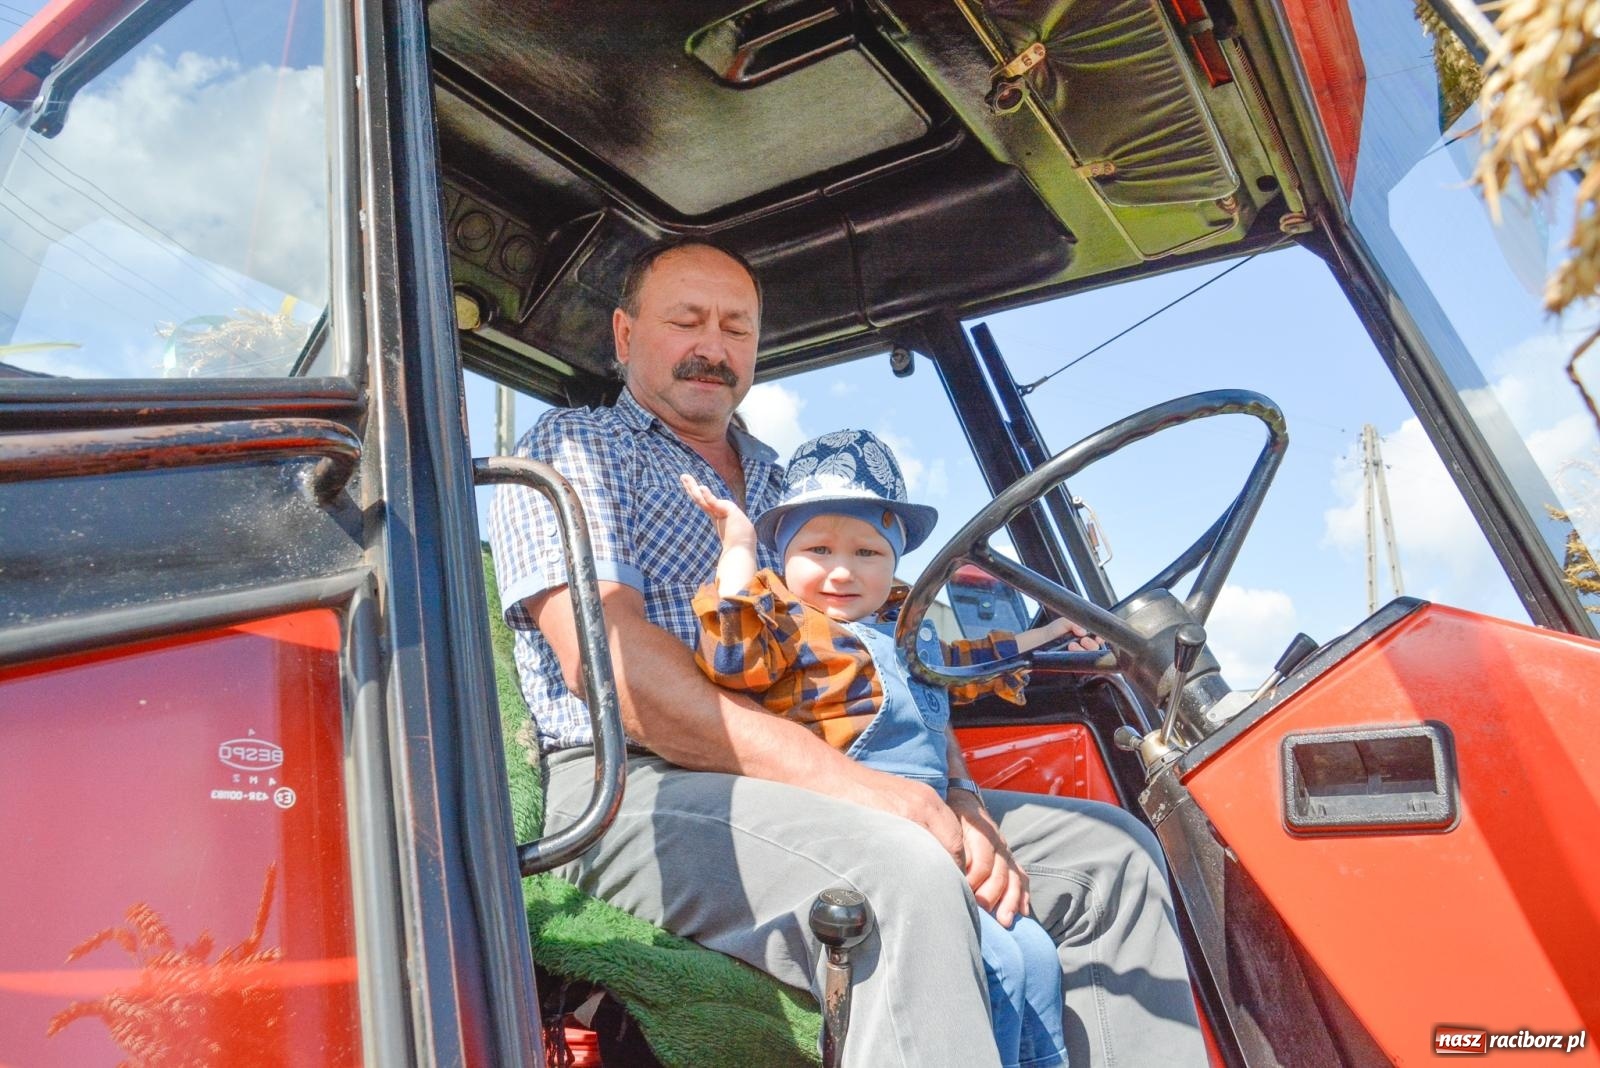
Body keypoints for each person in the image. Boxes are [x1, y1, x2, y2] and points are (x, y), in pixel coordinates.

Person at [488, 237, 1207, 1067]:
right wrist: (873, 795)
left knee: (1108, 858)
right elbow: (615, 673)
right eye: (686, 320)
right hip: (632, 784)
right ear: (622, 335)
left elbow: (879, 653)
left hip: (816, 771)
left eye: (737, 328)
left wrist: (955, 795)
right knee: (899, 868)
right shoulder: (574, 450)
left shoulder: (787, 483)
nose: (713, 347)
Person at [681, 428, 1078, 1068]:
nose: (842, 570)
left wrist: (1051, 635)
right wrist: (738, 549)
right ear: (782, 557)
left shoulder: (906, 629)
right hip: (846, 815)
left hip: (928, 821)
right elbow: (730, 655)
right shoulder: (785, 622)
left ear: (895, 564)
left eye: (868, 551)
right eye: (818, 549)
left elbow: (965, 663)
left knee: (1033, 951)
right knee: (999, 961)